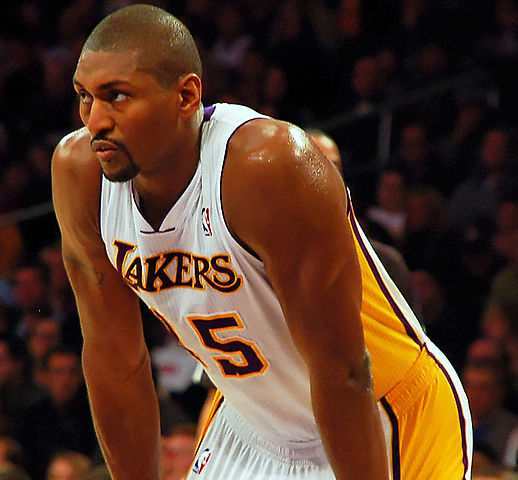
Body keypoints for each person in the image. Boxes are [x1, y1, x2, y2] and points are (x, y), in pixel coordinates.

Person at [51, 5, 472, 480]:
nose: (96, 120)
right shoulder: (79, 174)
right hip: (251, 424)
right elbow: (114, 360)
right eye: (85, 97)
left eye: (118, 96)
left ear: (186, 95)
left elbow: (344, 371)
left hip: (380, 413)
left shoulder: (267, 168)